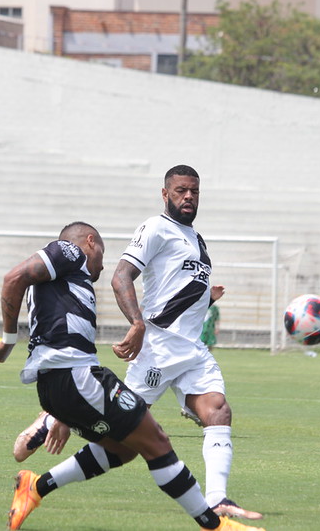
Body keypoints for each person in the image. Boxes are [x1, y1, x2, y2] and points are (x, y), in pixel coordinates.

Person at [0, 221, 264, 531]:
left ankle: (35, 487)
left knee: (124, 447)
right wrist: (8, 342)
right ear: (90, 242)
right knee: (156, 440)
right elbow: (13, 277)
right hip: (76, 377)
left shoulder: (64, 283)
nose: (103, 265)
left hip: (65, 383)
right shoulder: (70, 251)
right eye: (102, 253)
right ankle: (214, 525)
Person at [110, 164, 263, 520]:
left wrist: (205, 299)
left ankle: (218, 499)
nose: (188, 196)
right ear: (165, 194)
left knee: (219, 411)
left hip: (191, 350)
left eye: (194, 190)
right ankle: (51, 439)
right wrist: (136, 323)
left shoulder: (197, 239)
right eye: (180, 190)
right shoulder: (156, 228)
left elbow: (175, 294)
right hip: (158, 349)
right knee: (118, 434)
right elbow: (121, 277)